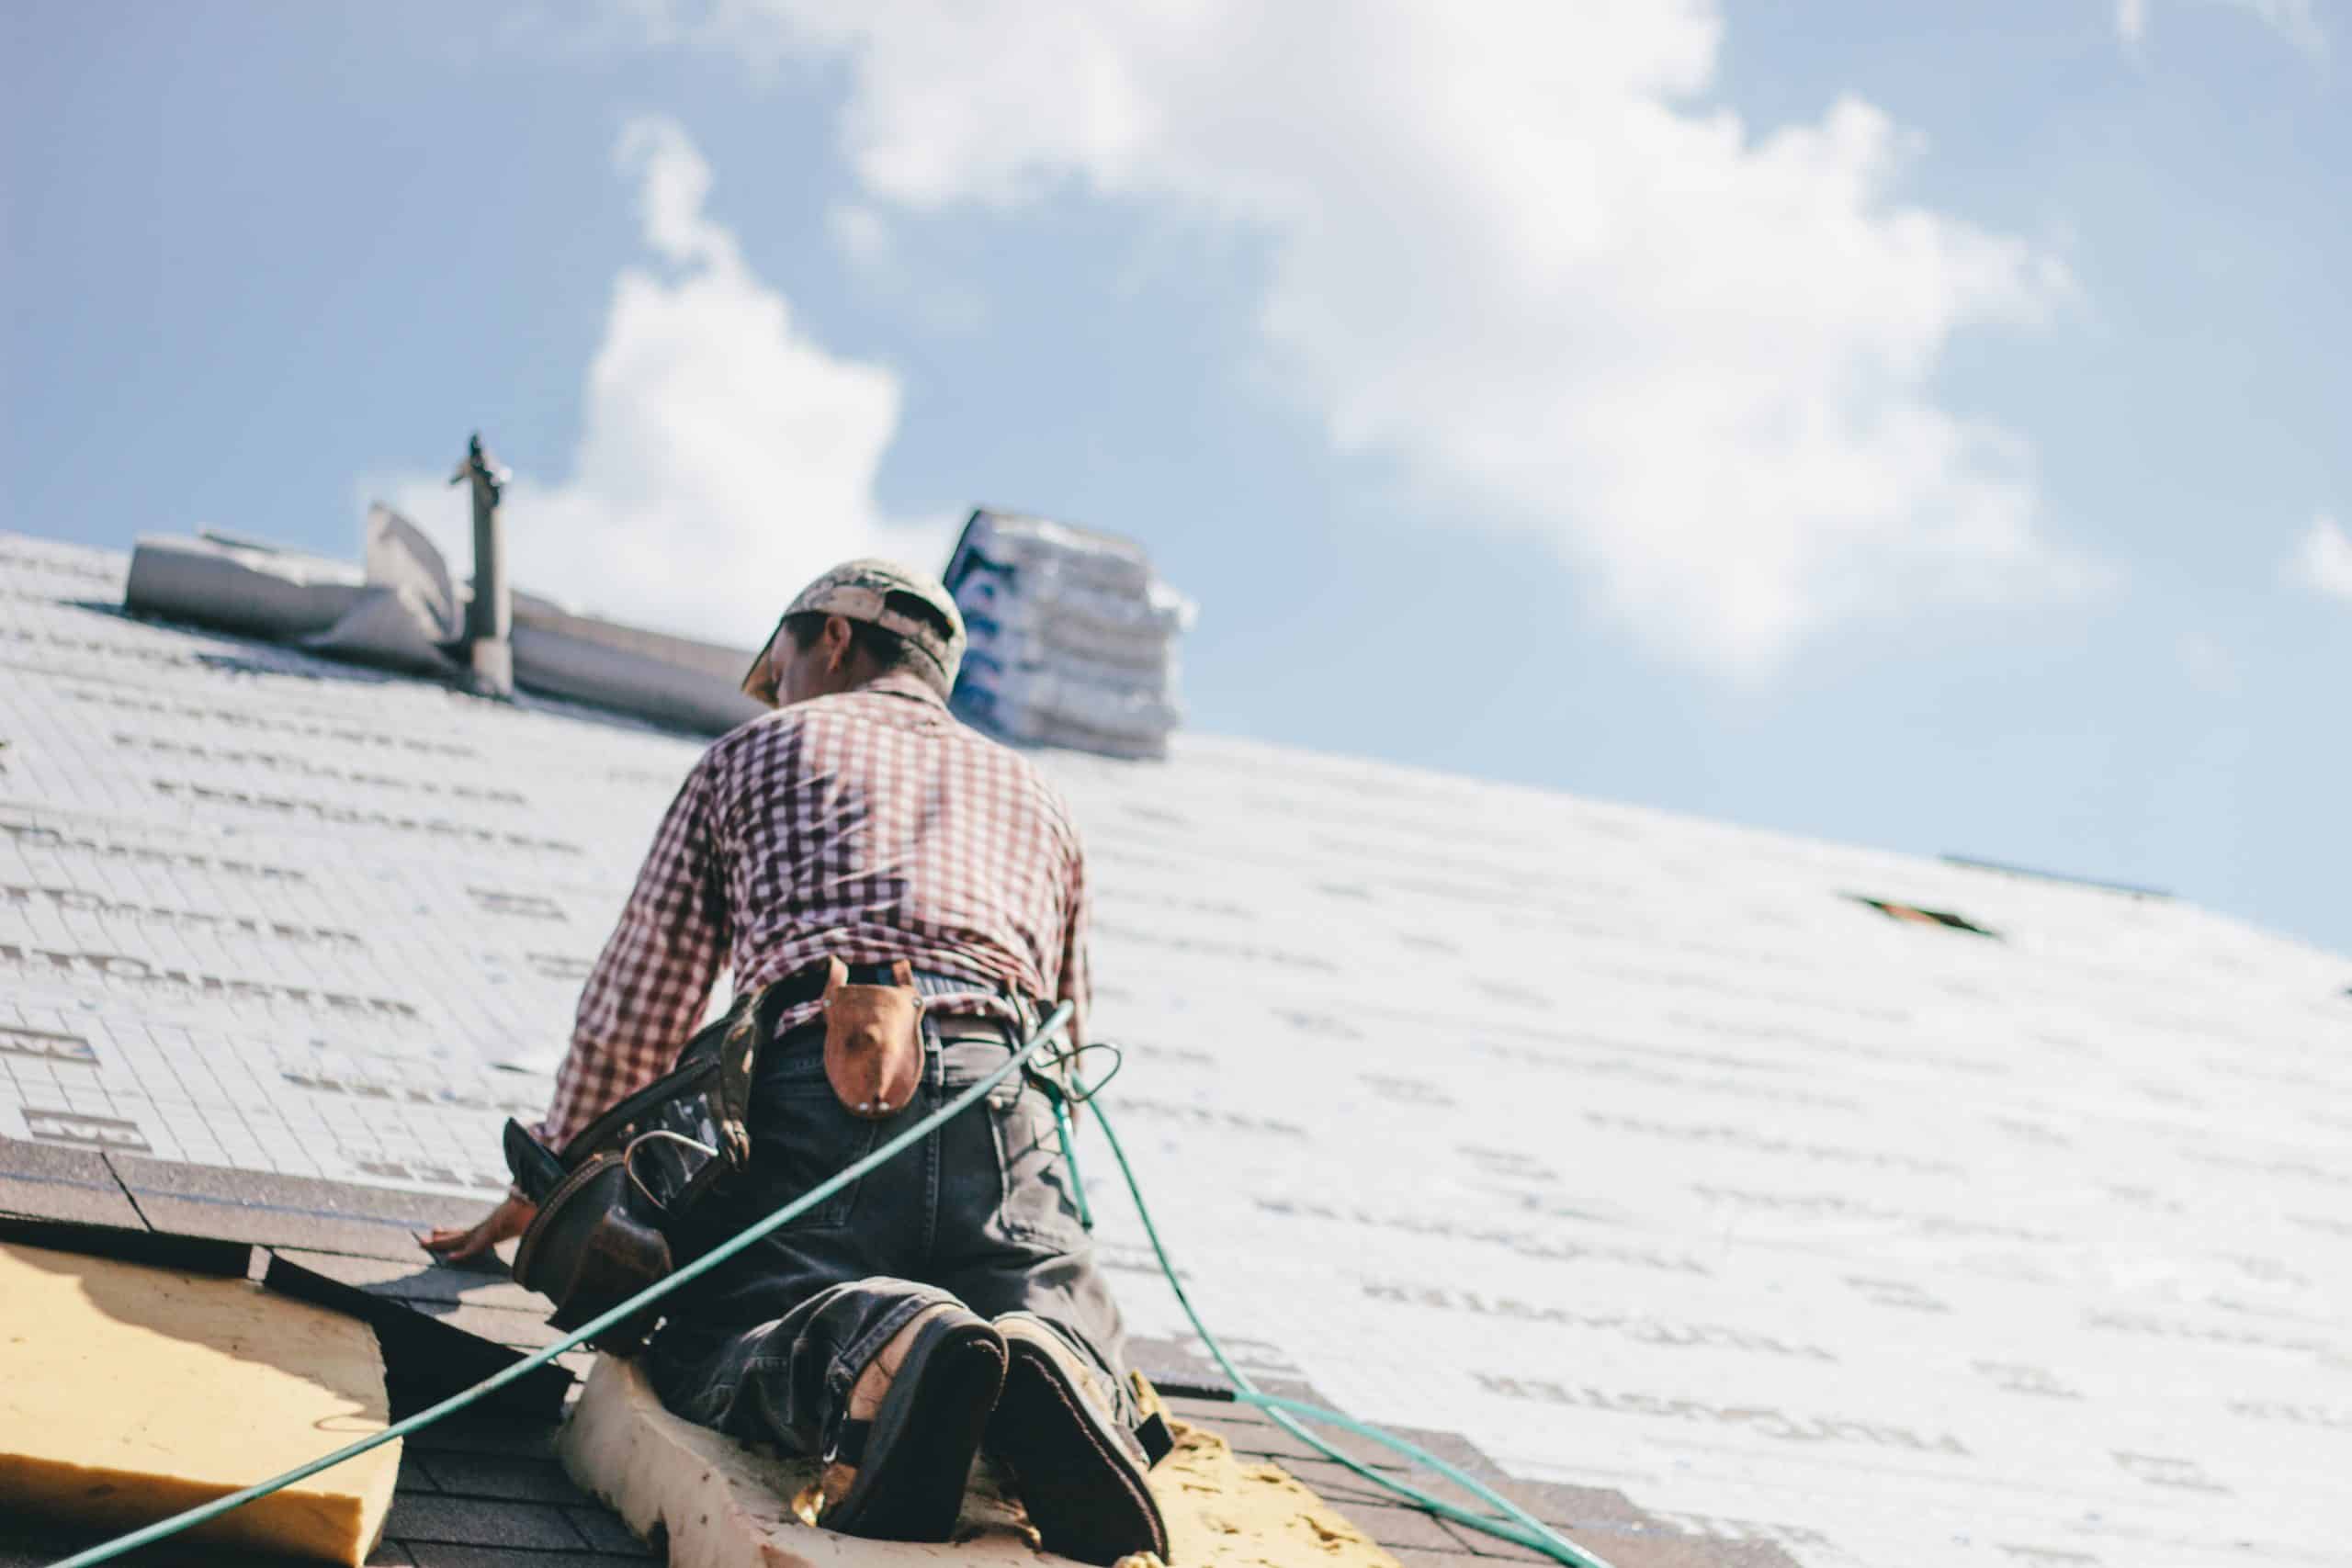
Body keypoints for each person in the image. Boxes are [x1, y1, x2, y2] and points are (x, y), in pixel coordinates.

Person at [423, 560, 1166, 1563]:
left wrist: (553, 1177)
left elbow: (640, 1002)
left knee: (724, 1324)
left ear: (830, 641)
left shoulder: (756, 750)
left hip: (820, 1080)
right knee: (1039, 1296)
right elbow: (1069, 1030)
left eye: (777, 664)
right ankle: (1052, 1361)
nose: (774, 687)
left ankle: (887, 1345)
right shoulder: (1038, 794)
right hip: (1006, 1095)